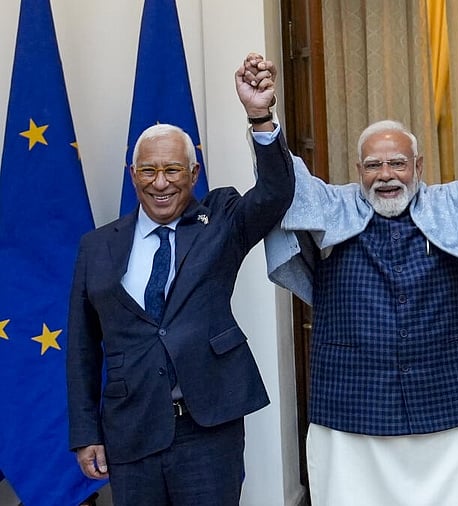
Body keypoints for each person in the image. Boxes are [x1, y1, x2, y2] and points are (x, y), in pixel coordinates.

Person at [255, 64, 458, 505]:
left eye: (398, 163)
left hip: (450, 398)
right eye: (374, 165)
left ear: (418, 166)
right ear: (358, 169)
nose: (386, 174)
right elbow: (282, 186)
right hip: (352, 402)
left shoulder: (454, 204)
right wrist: (261, 117)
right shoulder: (332, 206)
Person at [66, 52, 295, 506]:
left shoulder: (222, 219)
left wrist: (260, 116)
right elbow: (81, 348)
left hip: (208, 427)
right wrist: (85, 432)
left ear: (193, 175)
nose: (161, 183)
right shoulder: (97, 246)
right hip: (131, 428)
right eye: (148, 171)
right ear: (133, 175)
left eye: (173, 170)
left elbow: (275, 194)